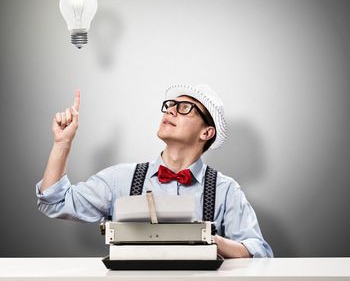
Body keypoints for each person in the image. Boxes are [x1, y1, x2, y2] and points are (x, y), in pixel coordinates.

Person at [36, 84, 273, 258]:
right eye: (169, 106)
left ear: (206, 133)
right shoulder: (121, 179)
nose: (170, 111)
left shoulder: (225, 190)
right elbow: (55, 202)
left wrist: (208, 238)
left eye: (184, 108)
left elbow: (259, 252)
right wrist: (62, 144)